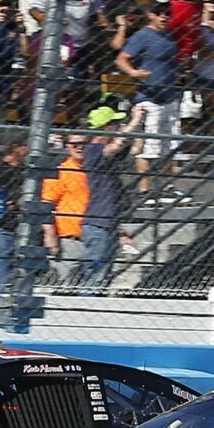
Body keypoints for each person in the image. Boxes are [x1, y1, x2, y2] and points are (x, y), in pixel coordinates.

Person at [116, 0, 189, 206]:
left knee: (170, 145)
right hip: (150, 98)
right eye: (159, 13)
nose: (164, 16)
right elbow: (122, 58)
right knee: (149, 146)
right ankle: (144, 189)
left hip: (170, 96)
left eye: (167, 12)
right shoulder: (142, 36)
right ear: (151, 15)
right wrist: (134, 73)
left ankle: (166, 186)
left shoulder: (169, 35)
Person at [80, 103, 145, 292]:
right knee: (96, 274)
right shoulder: (92, 149)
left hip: (109, 223)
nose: (118, 126)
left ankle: (92, 306)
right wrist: (133, 122)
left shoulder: (109, 152)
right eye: (115, 124)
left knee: (104, 275)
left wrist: (139, 125)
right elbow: (115, 147)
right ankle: (85, 306)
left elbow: (134, 148)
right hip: (97, 223)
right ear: (106, 127)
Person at [41, 134, 91, 289]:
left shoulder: (93, 169)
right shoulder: (60, 172)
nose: (79, 147)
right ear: (67, 146)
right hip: (69, 239)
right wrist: (50, 235)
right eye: (74, 144)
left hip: (95, 236)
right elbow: (46, 206)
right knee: (68, 285)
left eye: (83, 143)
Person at [0, 137, 29, 293]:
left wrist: (16, 203)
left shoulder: (24, 170)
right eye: (25, 145)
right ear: (15, 147)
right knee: (1, 264)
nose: (28, 149)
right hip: (0, 224)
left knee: (17, 267)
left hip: (18, 224)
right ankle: (0, 296)